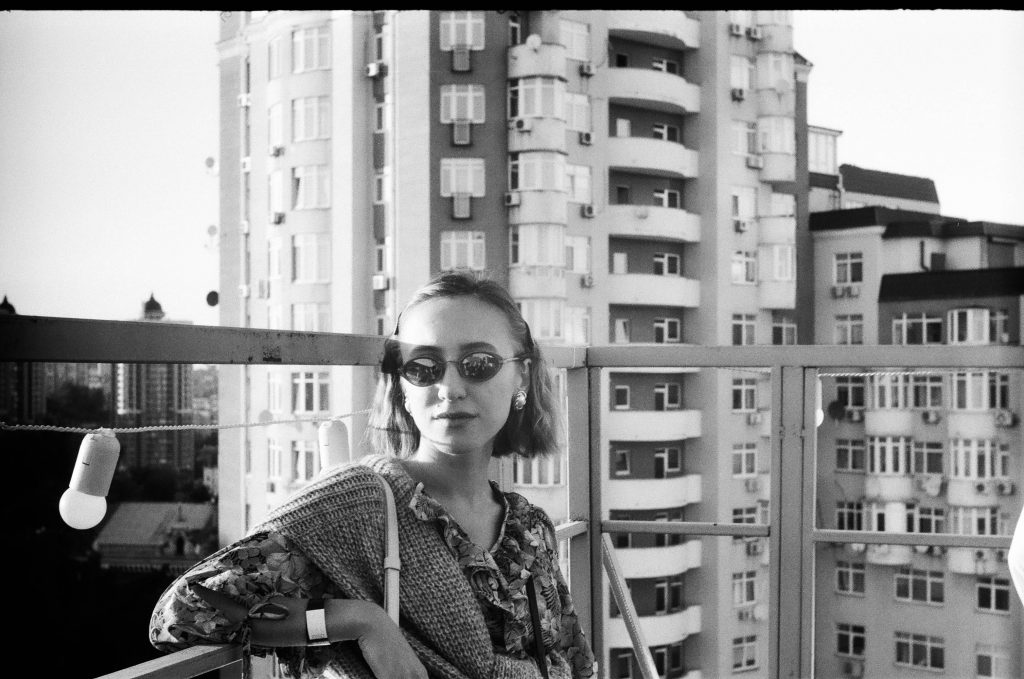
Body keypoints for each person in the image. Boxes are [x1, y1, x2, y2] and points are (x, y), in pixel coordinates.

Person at [150, 272, 596, 679]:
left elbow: (574, 664)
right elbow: (184, 610)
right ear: (402, 384)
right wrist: (362, 621)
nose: (450, 389)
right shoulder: (359, 506)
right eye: (424, 367)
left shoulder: (529, 529)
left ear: (522, 375)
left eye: (478, 363)